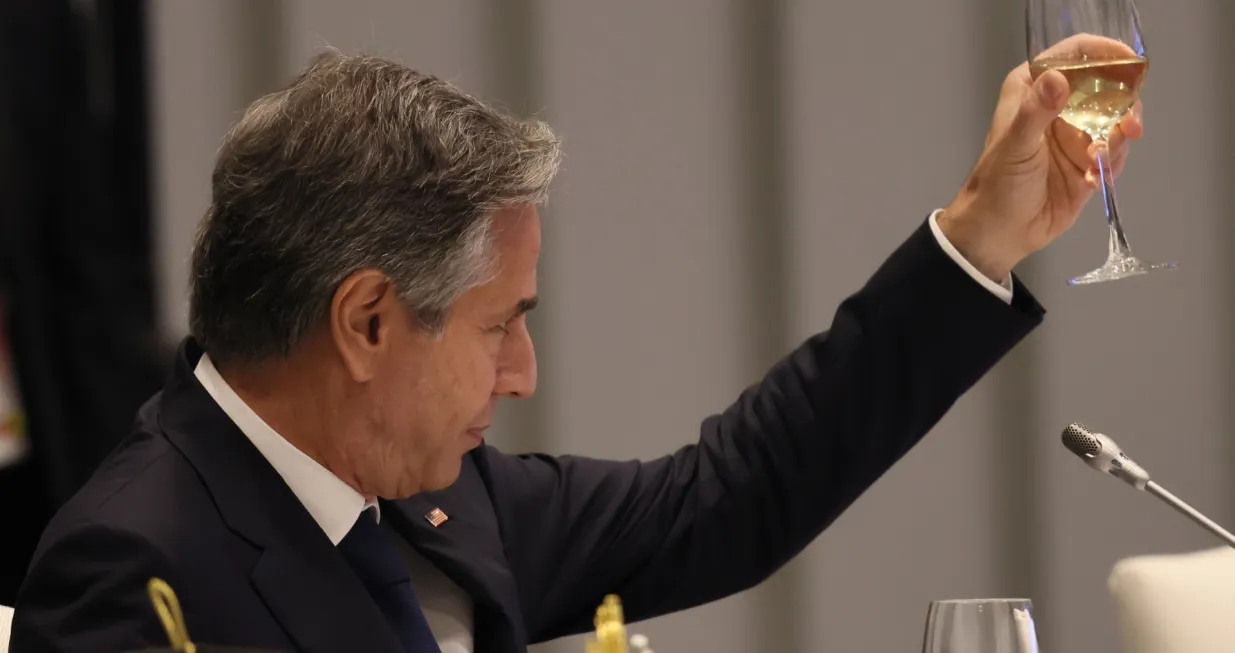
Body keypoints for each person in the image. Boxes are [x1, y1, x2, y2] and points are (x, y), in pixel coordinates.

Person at [12, 45, 1142, 653]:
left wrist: (974, 239)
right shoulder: (134, 567)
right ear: (365, 321)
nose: (522, 371)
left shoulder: (431, 499)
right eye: (501, 323)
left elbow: (729, 496)